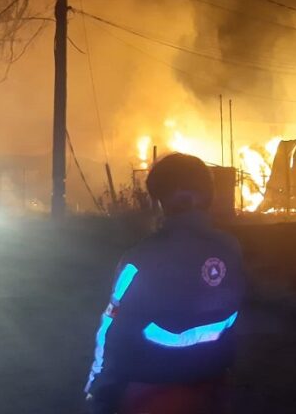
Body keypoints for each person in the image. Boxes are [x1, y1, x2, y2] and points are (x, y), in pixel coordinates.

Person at [84, 153, 245, 414]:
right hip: (212, 385)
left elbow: (111, 331)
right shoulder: (231, 249)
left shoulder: (140, 259)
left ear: (162, 202)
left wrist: (97, 392)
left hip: (152, 387)